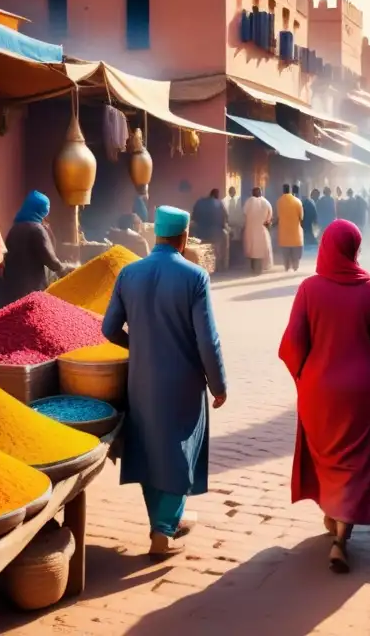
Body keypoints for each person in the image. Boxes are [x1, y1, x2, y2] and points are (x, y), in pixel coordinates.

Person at [279, 220, 370, 573]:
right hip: (362, 389)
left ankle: (330, 513)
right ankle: (341, 537)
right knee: (356, 460)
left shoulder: (309, 288)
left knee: (327, 455)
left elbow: (293, 346)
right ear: (355, 248)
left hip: (320, 388)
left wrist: (304, 379)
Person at [103, 206, 227, 558]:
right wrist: (218, 384)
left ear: (155, 234)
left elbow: (108, 328)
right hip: (184, 379)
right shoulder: (194, 277)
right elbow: (208, 340)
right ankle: (164, 529)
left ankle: (162, 521)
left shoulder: (129, 274)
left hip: (141, 379)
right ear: (184, 237)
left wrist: (138, 345)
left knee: (150, 448)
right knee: (181, 448)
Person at [1, 190, 73, 306]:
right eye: (46, 208)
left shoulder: (14, 229)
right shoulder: (37, 229)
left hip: (12, 287)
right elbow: (50, 259)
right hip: (31, 289)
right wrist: (63, 269)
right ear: (41, 209)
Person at [192, 189, 230, 271]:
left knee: (204, 251)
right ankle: (219, 266)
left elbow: (194, 217)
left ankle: (204, 266)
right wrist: (224, 226)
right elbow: (225, 217)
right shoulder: (219, 204)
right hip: (216, 233)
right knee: (218, 249)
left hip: (201, 233)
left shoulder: (200, 202)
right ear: (216, 195)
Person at [243, 187, 273, 274]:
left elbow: (244, 214)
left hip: (250, 229)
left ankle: (253, 268)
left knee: (252, 249)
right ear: (261, 193)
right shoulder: (266, 202)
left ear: (252, 193)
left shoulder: (248, 202)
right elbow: (269, 217)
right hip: (262, 230)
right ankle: (259, 268)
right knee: (260, 249)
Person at [276, 184, 305, 272]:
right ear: (290, 190)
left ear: (283, 190)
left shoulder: (279, 201)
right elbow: (301, 217)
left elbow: (278, 216)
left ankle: (286, 267)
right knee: (296, 253)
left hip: (284, 233)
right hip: (295, 233)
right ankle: (295, 267)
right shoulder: (297, 201)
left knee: (285, 252)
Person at [227, 186, 244, 268]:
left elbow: (240, 213)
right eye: (230, 192)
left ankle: (239, 261)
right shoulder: (229, 201)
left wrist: (240, 224)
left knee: (238, 242)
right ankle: (234, 261)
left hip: (237, 224)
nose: (232, 193)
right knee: (233, 243)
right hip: (231, 225)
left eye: (233, 191)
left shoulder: (239, 200)